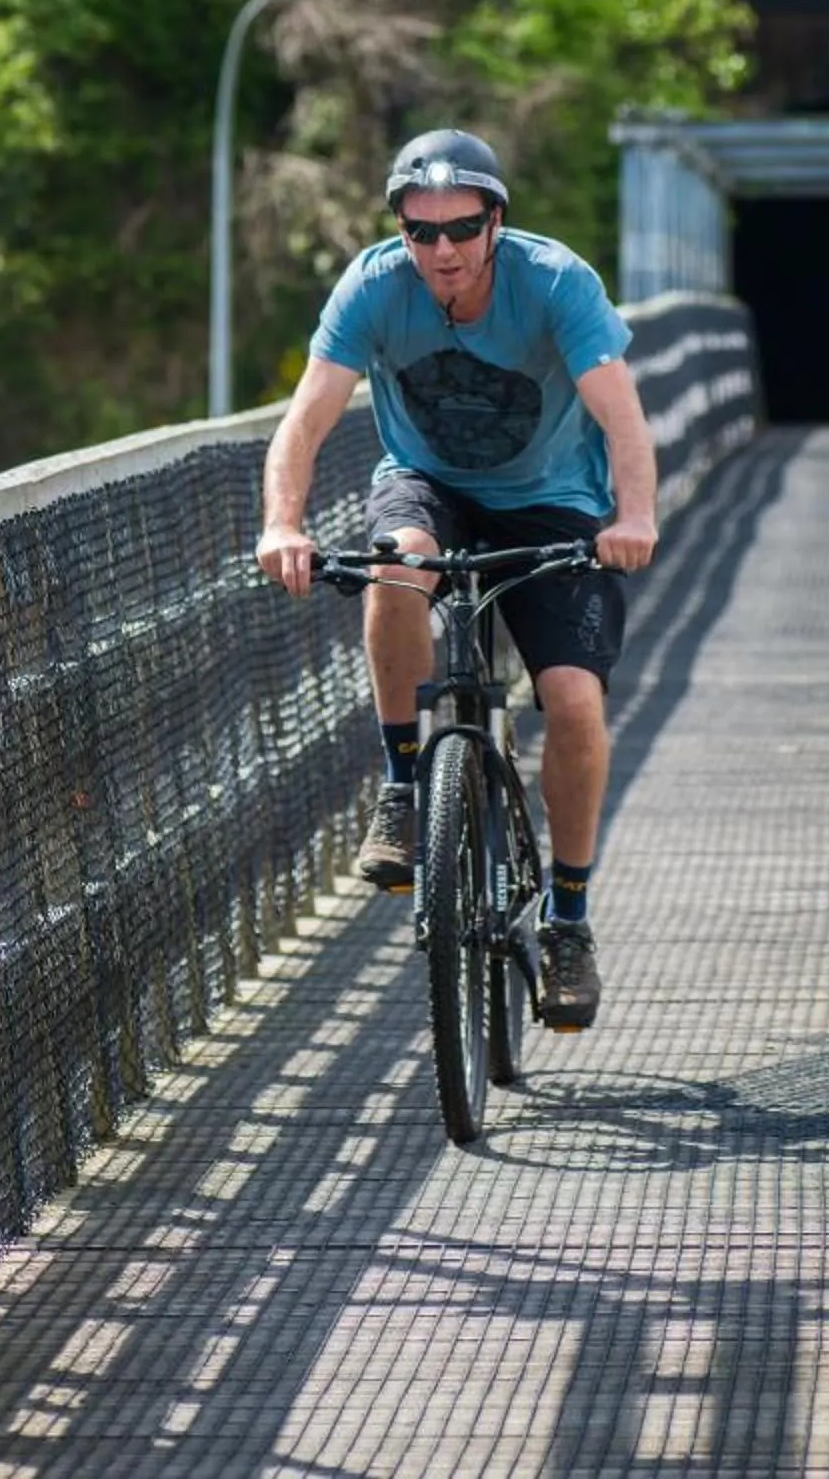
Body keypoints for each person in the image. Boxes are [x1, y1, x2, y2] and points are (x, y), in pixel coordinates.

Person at [255, 128, 658, 1031]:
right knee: (396, 572)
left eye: (462, 229)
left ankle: (567, 920)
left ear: (495, 223)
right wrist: (282, 523)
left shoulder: (555, 282)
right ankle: (403, 785)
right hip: (428, 485)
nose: (441, 250)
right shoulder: (372, 285)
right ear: (400, 228)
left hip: (553, 502)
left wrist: (633, 518)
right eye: (420, 230)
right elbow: (306, 420)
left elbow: (623, 419)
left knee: (574, 701)